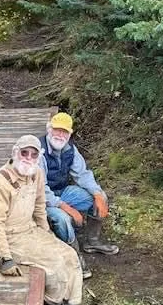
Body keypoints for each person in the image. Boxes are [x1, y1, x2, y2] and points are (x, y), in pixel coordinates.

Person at [0, 134, 96, 305]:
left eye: (33, 154)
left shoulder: (37, 174)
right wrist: (5, 258)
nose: (28, 158)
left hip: (31, 230)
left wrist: (47, 234)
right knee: (55, 265)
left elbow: (39, 208)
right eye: (24, 153)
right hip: (10, 237)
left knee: (70, 256)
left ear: (38, 157)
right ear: (15, 153)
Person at [40, 112, 118, 276]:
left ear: (70, 133)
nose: (60, 135)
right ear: (49, 129)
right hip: (42, 200)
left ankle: (92, 241)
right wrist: (67, 208)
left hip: (63, 192)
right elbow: (40, 189)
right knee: (62, 219)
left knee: (100, 197)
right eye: (57, 130)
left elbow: (82, 174)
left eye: (65, 132)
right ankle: (74, 256)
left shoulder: (70, 149)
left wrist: (97, 194)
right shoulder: (39, 151)